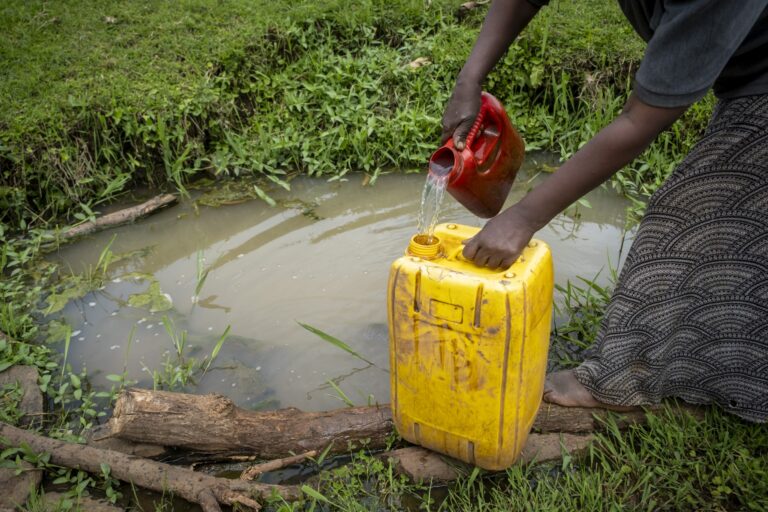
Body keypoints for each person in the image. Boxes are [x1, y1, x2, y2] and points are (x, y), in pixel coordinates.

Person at [442, 0, 768, 423]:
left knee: (691, 222)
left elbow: (640, 120)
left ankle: (622, 377)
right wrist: (469, 78)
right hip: (743, 74)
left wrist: (523, 218)